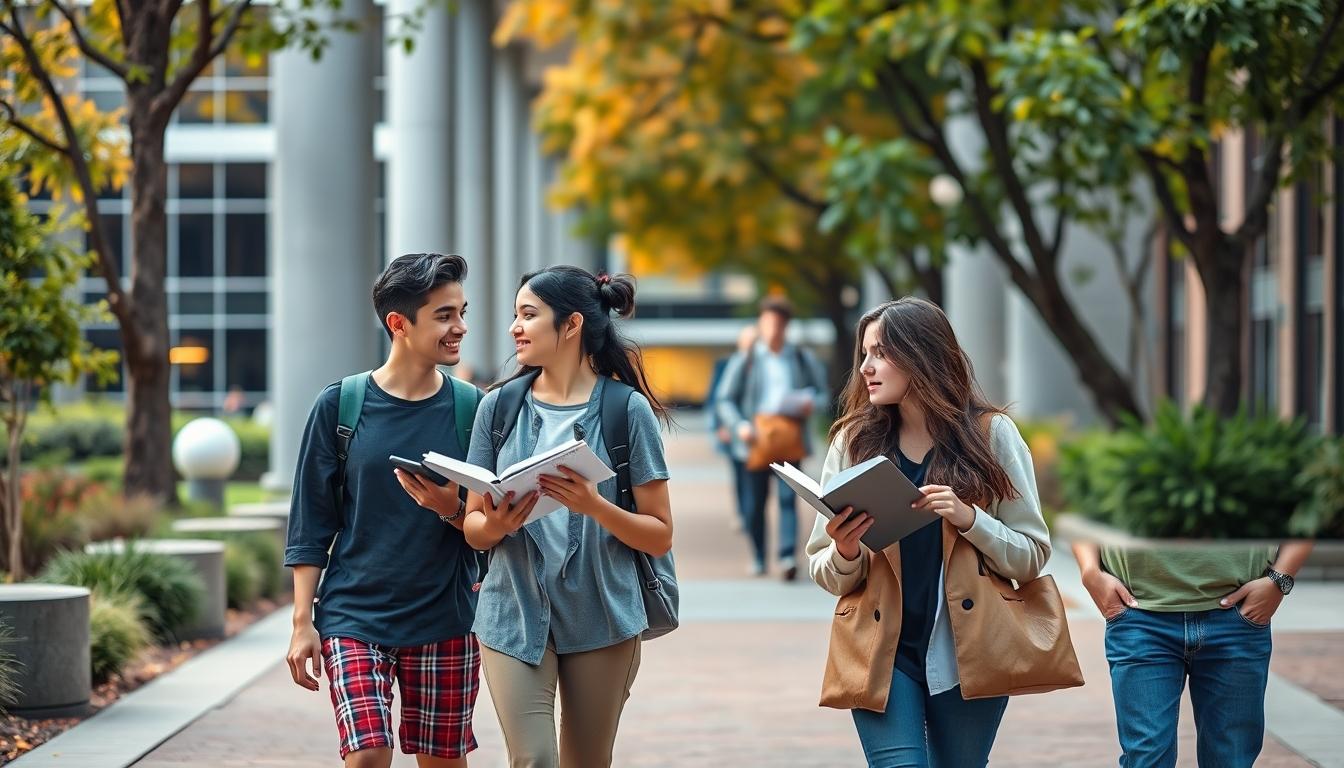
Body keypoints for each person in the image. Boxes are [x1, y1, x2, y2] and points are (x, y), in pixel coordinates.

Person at [806, 297, 1050, 767]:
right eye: (864, 354)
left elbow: (1032, 554)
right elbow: (826, 570)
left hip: (968, 653)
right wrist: (846, 550)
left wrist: (970, 520)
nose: (865, 368)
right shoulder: (853, 443)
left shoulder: (992, 435)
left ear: (921, 355)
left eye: (879, 353)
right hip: (881, 653)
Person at [460, 266, 673, 768]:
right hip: (512, 610)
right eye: (515, 315)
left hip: (602, 613)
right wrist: (498, 524)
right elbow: (473, 526)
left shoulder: (626, 411)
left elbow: (660, 535)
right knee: (533, 759)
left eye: (529, 315)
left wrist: (593, 504)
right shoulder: (498, 407)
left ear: (571, 324)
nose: (515, 327)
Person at [284, 253, 484, 768]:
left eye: (461, 312)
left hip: (447, 614)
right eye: (444, 315)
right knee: (368, 753)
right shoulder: (341, 405)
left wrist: (450, 509)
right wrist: (302, 621)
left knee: (442, 762)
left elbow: (492, 521)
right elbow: (311, 521)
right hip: (355, 614)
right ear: (400, 323)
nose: (460, 327)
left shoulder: (473, 409)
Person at [1074, 539, 1313, 767]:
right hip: (1139, 616)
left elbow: (1307, 507)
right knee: (1145, 756)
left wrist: (1279, 579)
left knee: (1231, 758)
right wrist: (1090, 572)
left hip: (1238, 619)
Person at [714, 296, 827, 579]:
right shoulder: (748, 358)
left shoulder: (801, 358)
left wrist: (811, 403)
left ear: (786, 326)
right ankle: (759, 556)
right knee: (754, 504)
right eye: (768, 323)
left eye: (778, 323)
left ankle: (787, 556)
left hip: (789, 436)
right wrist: (739, 424)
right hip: (755, 439)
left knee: (789, 499)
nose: (773, 329)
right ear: (761, 324)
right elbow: (724, 398)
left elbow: (825, 395)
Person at [707, 325, 758, 532]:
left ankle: (750, 514)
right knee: (739, 475)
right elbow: (715, 398)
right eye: (748, 342)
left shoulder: (762, 364)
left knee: (752, 478)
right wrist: (721, 426)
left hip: (757, 434)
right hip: (732, 430)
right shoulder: (726, 365)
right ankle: (742, 512)